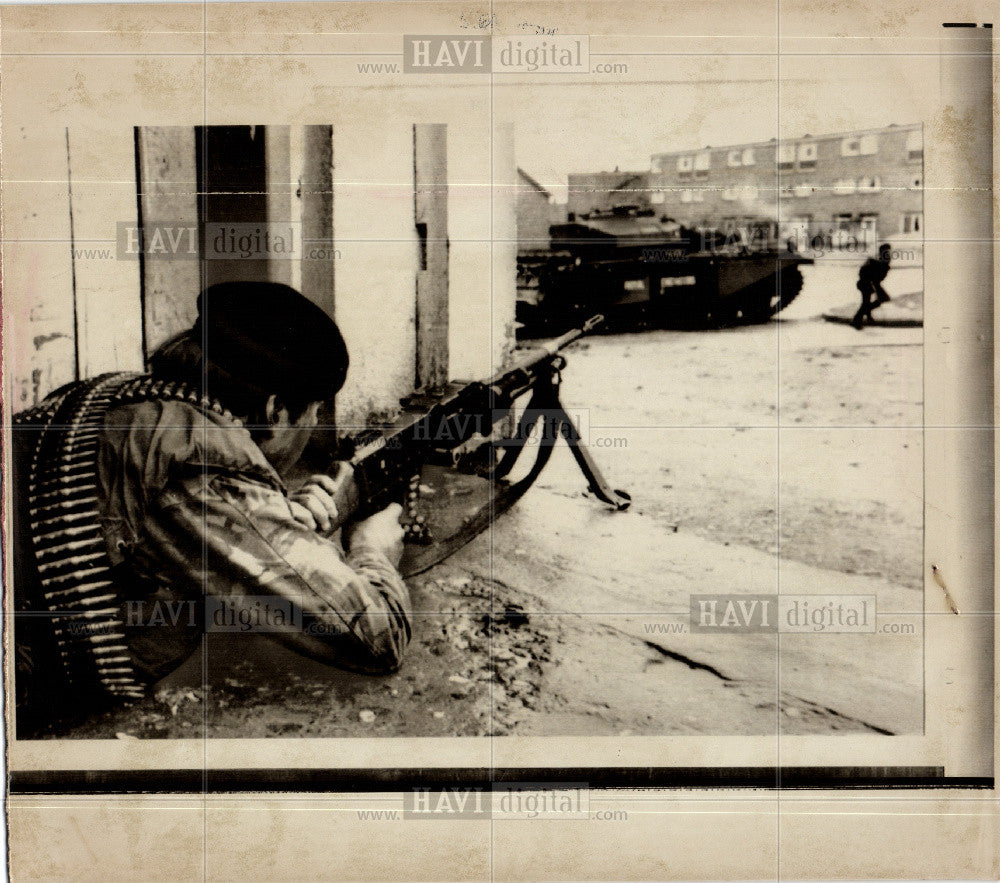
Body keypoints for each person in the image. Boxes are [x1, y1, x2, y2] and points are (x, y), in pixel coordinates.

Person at [14, 281, 412, 727]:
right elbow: (378, 639)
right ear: (275, 407)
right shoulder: (198, 464)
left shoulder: (113, 396)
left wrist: (272, 517)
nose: (316, 423)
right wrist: (374, 549)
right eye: (315, 409)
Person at [851, 243, 893, 329]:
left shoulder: (880, 262)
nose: (888, 255)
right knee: (867, 303)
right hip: (866, 284)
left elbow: (877, 278)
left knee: (868, 302)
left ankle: (867, 317)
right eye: (886, 252)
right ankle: (857, 320)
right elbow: (873, 277)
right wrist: (876, 287)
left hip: (868, 284)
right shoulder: (878, 263)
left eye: (888, 252)